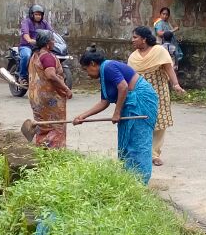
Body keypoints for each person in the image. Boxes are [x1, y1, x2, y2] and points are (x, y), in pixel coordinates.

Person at [72, 47, 158, 184]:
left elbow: (123, 87)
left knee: (138, 142)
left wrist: (117, 112)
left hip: (140, 101)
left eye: (86, 69)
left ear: (93, 64)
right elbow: (104, 102)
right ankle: (129, 179)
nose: (87, 74)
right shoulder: (104, 74)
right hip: (130, 103)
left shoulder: (108, 67)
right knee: (127, 142)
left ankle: (141, 181)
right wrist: (83, 116)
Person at [127, 26, 186, 167]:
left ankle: (155, 154)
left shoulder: (159, 51)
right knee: (141, 121)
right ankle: (143, 152)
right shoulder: (133, 57)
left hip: (159, 91)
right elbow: (129, 76)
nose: (132, 40)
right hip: (140, 93)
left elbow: (168, 68)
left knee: (160, 122)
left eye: (135, 37)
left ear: (144, 39)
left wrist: (176, 84)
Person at [27, 31, 73, 149]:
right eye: (52, 40)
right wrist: (66, 89)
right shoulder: (47, 57)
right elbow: (51, 75)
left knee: (43, 125)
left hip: (36, 97)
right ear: (48, 44)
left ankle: (42, 149)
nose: (54, 42)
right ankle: (53, 150)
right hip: (49, 97)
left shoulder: (35, 55)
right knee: (54, 125)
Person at [17, 5, 52, 86]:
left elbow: (51, 32)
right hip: (27, 46)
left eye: (40, 14)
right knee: (26, 56)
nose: (38, 16)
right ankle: (22, 77)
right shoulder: (26, 22)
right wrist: (29, 40)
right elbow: (25, 33)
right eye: (36, 14)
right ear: (31, 14)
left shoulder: (44, 23)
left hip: (39, 46)